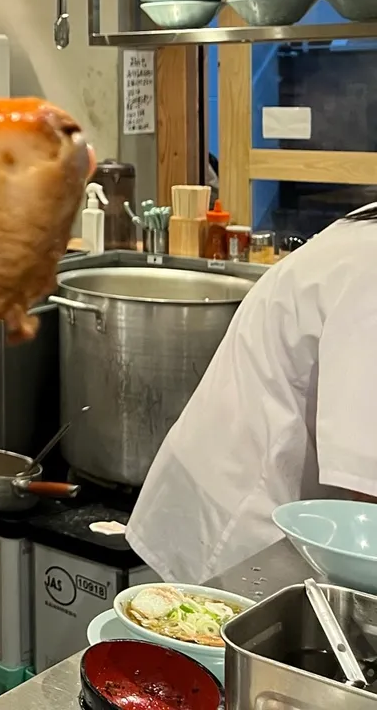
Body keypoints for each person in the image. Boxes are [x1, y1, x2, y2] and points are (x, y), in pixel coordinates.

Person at [127, 206, 377, 583]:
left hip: (274, 504)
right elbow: (365, 489)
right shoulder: (369, 270)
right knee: (211, 629)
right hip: (244, 519)